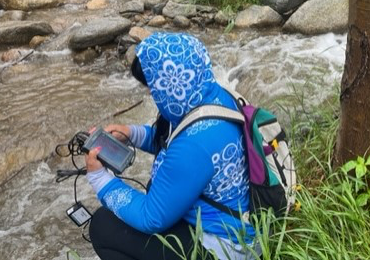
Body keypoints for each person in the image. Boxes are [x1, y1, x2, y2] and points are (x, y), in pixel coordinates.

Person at [86, 32, 259, 260]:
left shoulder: (194, 144)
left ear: (168, 83)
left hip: (225, 248)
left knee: (103, 225)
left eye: (151, 86)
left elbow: (151, 217)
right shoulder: (212, 95)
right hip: (238, 224)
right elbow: (171, 138)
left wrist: (99, 178)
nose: (150, 93)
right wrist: (131, 134)